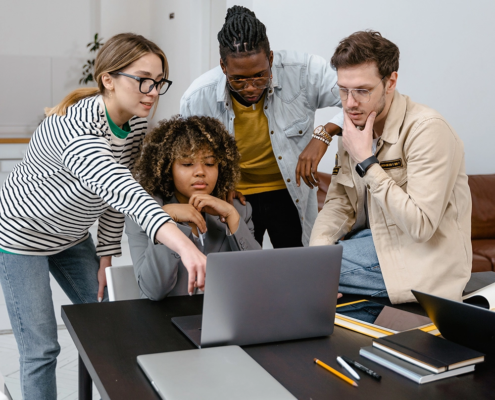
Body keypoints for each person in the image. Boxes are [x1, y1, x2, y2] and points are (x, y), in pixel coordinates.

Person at [0, 33, 206, 399]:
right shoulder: (76, 129)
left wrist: (106, 254)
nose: (153, 91)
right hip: (22, 237)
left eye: (159, 82)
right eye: (143, 79)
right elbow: (124, 191)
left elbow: (112, 199)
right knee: (41, 350)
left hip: (73, 236)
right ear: (108, 80)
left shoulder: (136, 125)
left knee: (110, 323)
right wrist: (185, 247)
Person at [310, 30, 472, 304]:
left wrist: (366, 161)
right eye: (343, 90)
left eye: (362, 90)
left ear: (391, 82)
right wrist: (316, 257)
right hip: (372, 243)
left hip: (422, 258)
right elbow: (339, 203)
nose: (350, 103)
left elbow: (420, 227)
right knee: (305, 269)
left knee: (295, 277)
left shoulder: (428, 130)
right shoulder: (354, 126)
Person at [180, 5, 343, 248]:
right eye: (238, 79)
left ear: (271, 59)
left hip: (291, 192)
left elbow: (359, 99)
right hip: (238, 197)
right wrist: (219, 186)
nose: (250, 87)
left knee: (297, 267)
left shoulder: (304, 71)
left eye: (259, 75)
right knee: (243, 271)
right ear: (223, 67)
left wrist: (324, 133)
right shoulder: (197, 98)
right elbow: (189, 157)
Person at [126, 115, 261, 300]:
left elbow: (258, 279)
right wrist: (168, 218)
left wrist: (232, 216)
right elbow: (153, 291)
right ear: (167, 168)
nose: (200, 172)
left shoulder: (238, 208)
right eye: (187, 164)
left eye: (210, 163)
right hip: (166, 321)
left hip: (225, 320)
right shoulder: (145, 211)